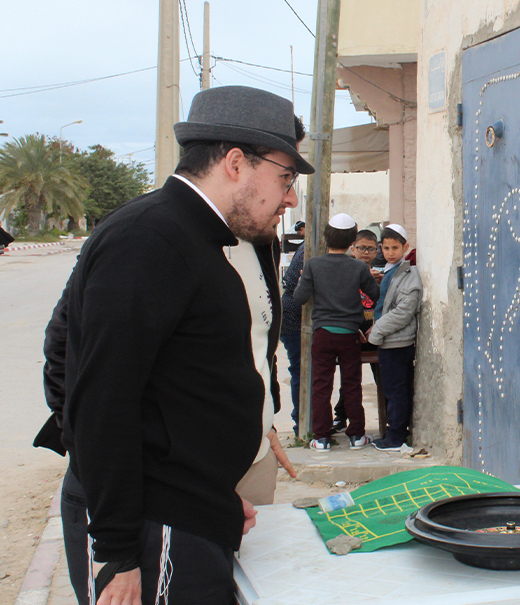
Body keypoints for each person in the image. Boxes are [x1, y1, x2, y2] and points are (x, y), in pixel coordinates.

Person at [60, 85, 314, 605]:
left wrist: (214, 495)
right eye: (286, 178)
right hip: (151, 523)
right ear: (237, 163)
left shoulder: (207, 237)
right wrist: (119, 553)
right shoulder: (148, 238)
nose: (290, 197)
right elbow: (99, 400)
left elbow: (196, 382)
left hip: (193, 507)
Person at [293, 213, 380, 451]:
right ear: (352, 240)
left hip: (323, 334)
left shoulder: (313, 264)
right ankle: (357, 435)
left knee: (322, 384)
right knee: (352, 384)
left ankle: (321, 437)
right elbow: (374, 295)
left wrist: (305, 282)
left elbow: (299, 297)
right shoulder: (359, 267)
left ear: (326, 237)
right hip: (350, 335)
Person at [367, 224, 422, 452]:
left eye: (395, 247)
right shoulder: (391, 271)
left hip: (397, 342)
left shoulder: (409, 274)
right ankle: (394, 433)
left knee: (397, 390)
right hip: (388, 340)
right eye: (386, 247)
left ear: (405, 247)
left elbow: (403, 312)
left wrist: (377, 330)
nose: (390, 252)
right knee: (391, 389)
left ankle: (396, 438)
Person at [330, 228, 384, 434]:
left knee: (382, 377)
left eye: (371, 248)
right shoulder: (344, 274)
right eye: (361, 247)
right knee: (350, 379)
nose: (366, 252)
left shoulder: (381, 276)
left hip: (374, 333)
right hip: (352, 333)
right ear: (352, 249)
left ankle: (387, 417)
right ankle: (341, 417)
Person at [280, 238, 305, 436]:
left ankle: (304, 422)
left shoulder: (308, 248)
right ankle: (301, 424)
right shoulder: (311, 250)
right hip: (293, 319)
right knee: (301, 371)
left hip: (292, 316)